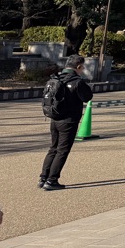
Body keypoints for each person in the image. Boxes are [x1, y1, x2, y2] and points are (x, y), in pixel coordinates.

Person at [39, 54, 94, 189]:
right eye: (82, 67)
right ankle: (52, 180)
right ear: (79, 66)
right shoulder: (77, 81)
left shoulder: (56, 78)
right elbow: (87, 97)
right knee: (62, 150)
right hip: (69, 120)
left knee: (53, 148)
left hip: (54, 118)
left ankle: (43, 178)